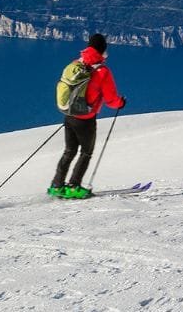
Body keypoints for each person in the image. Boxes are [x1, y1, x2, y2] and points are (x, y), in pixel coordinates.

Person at [49, 33, 126, 198]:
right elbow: (111, 100)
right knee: (86, 152)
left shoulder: (77, 63)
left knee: (69, 151)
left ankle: (56, 185)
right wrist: (121, 103)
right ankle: (74, 187)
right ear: (103, 50)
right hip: (85, 119)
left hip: (69, 115)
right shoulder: (102, 71)